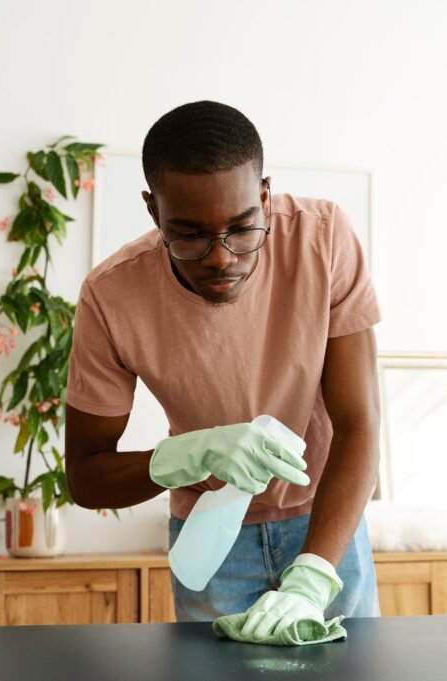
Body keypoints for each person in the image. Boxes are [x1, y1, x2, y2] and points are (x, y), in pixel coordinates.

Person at [65, 100, 382, 639]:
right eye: (188, 235)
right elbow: (86, 476)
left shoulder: (323, 237)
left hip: (325, 527)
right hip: (210, 540)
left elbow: (360, 425)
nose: (220, 257)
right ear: (152, 210)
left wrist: (312, 578)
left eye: (242, 228)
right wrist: (186, 457)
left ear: (264, 196)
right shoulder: (111, 296)